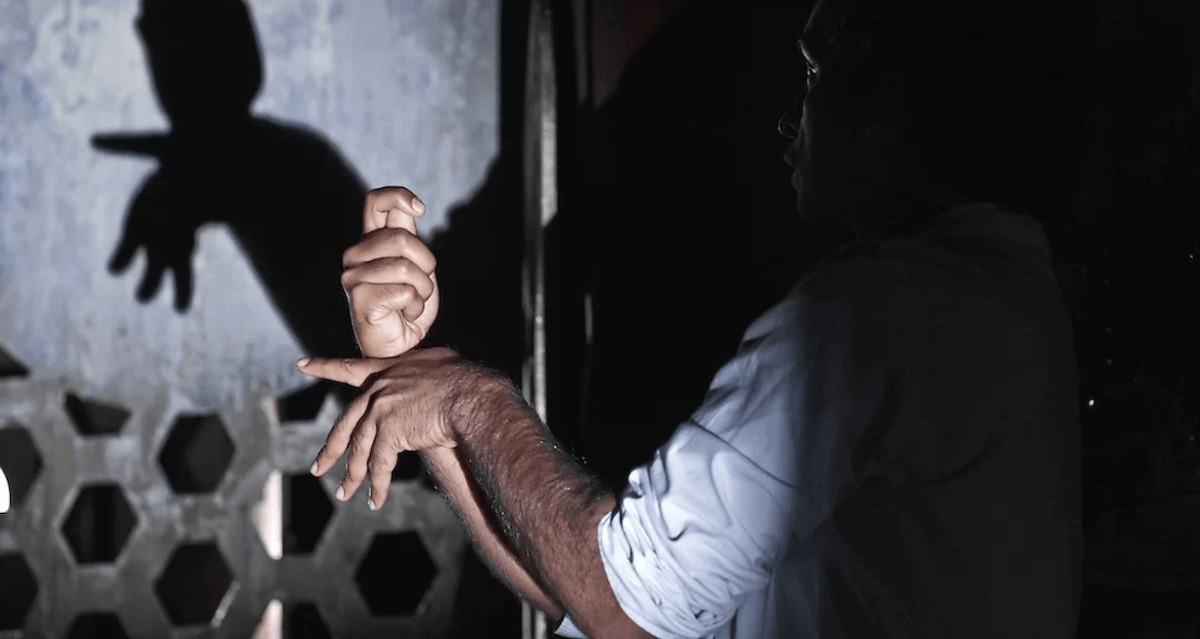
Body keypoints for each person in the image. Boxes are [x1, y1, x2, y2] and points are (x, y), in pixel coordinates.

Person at [297, 0, 1089, 636]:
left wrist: (470, 400)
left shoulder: (876, 314)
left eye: (814, 74)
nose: (789, 119)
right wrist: (420, 384)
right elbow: (601, 592)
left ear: (886, 99)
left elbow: (622, 608)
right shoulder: (1000, 295)